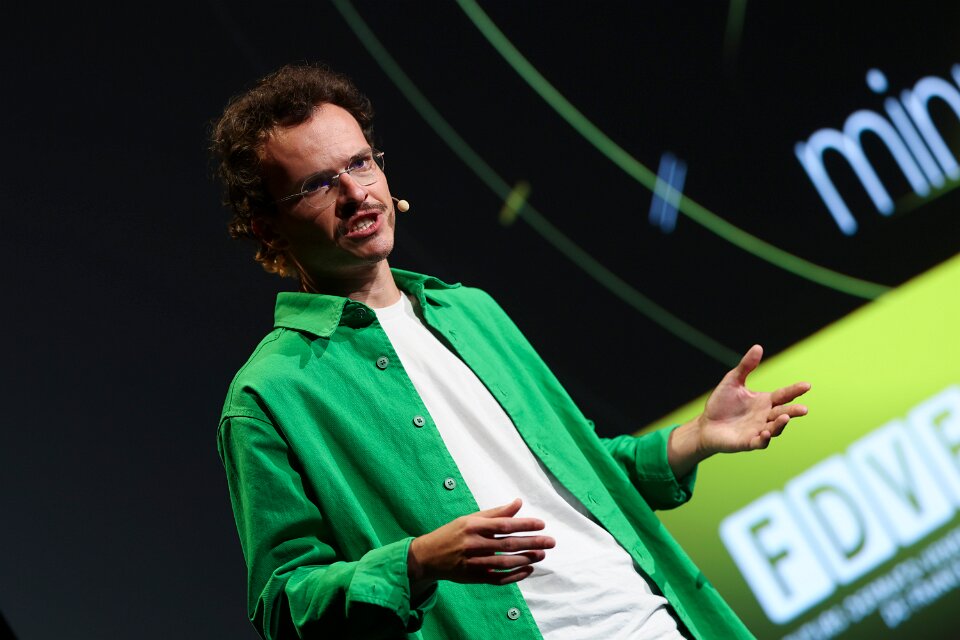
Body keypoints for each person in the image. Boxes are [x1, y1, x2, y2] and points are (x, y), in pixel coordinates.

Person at [210, 62, 811, 640]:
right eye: (317, 184)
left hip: (650, 621)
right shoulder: (270, 394)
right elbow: (283, 604)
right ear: (268, 228)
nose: (355, 192)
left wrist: (697, 437)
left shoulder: (471, 311)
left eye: (361, 163)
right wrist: (415, 562)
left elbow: (584, 474)